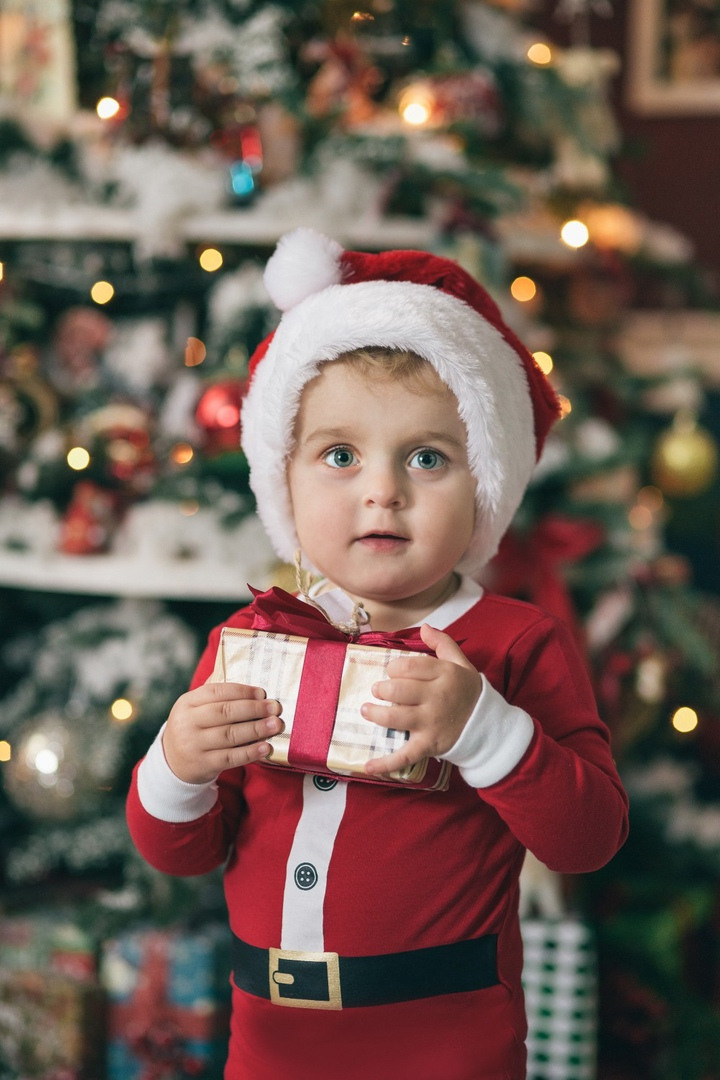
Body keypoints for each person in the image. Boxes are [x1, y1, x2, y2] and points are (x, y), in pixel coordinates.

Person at [127, 227, 629, 1080]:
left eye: (427, 458)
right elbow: (186, 852)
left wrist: (485, 732)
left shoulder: (510, 642)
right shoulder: (248, 642)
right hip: (271, 1043)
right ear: (282, 479)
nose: (382, 490)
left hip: (444, 1041)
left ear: (485, 489)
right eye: (340, 455)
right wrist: (177, 767)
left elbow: (589, 837)